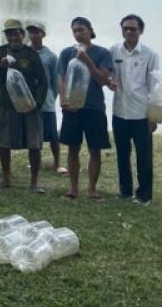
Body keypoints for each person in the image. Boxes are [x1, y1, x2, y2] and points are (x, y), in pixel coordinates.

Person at [0, 19, 49, 193]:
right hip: (6, 104)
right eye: (9, 33)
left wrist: (37, 103)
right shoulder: (0, 52)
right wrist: (1, 67)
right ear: (6, 36)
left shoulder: (31, 54)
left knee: (34, 143)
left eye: (16, 33)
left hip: (29, 105)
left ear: (22, 35)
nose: (13, 37)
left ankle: (34, 183)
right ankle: (6, 179)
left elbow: (43, 82)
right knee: (3, 142)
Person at [57, 16, 114, 201]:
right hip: (72, 108)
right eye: (75, 30)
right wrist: (63, 100)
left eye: (81, 29)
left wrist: (87, 61)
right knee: (72, 148)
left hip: (94, 107)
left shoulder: (102, 53)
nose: (78, 33)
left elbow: (103, 80)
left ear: (90, 31)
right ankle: (73, 188)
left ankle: (92, 189)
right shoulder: (66, 53)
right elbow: (62, 78)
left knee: (94, 149)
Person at [110, 14, 160, 205]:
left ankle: (144, 195)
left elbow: (155, 86)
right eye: (126, 28)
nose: (129, 32)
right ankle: (125, 190)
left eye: (133, 29)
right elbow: (108, 74)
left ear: (141, 31)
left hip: (141, 113)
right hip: (119, 111)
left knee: (144, 156)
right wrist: (109, 81)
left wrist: (153, 115)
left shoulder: (150, 54)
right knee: (122, 153)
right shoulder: (114, 51)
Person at [26, 20, 64, 174]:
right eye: (32, 31)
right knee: (33, 134)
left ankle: (57, 163)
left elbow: (55, 82)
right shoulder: (24, 52)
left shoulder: (51, 56)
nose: (34, 34)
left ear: (43, 34)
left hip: (47, 101)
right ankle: (35, 162)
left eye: (37, 31)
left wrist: (51, 97)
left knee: (52, 135)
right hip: (28, 100)